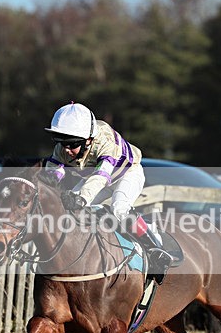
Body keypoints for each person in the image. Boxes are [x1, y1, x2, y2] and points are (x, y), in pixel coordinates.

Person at [42, 101, 173, 280]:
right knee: (69, 211)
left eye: (72, 144)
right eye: (61, 142)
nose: (66, 149)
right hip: (97, 179)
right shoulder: (66, 146)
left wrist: (82, 198)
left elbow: (101, 177)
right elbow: (53, 171)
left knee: (119, 209)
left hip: (127, 174)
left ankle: (156, 247)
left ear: (88, 140)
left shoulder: (105, 141)